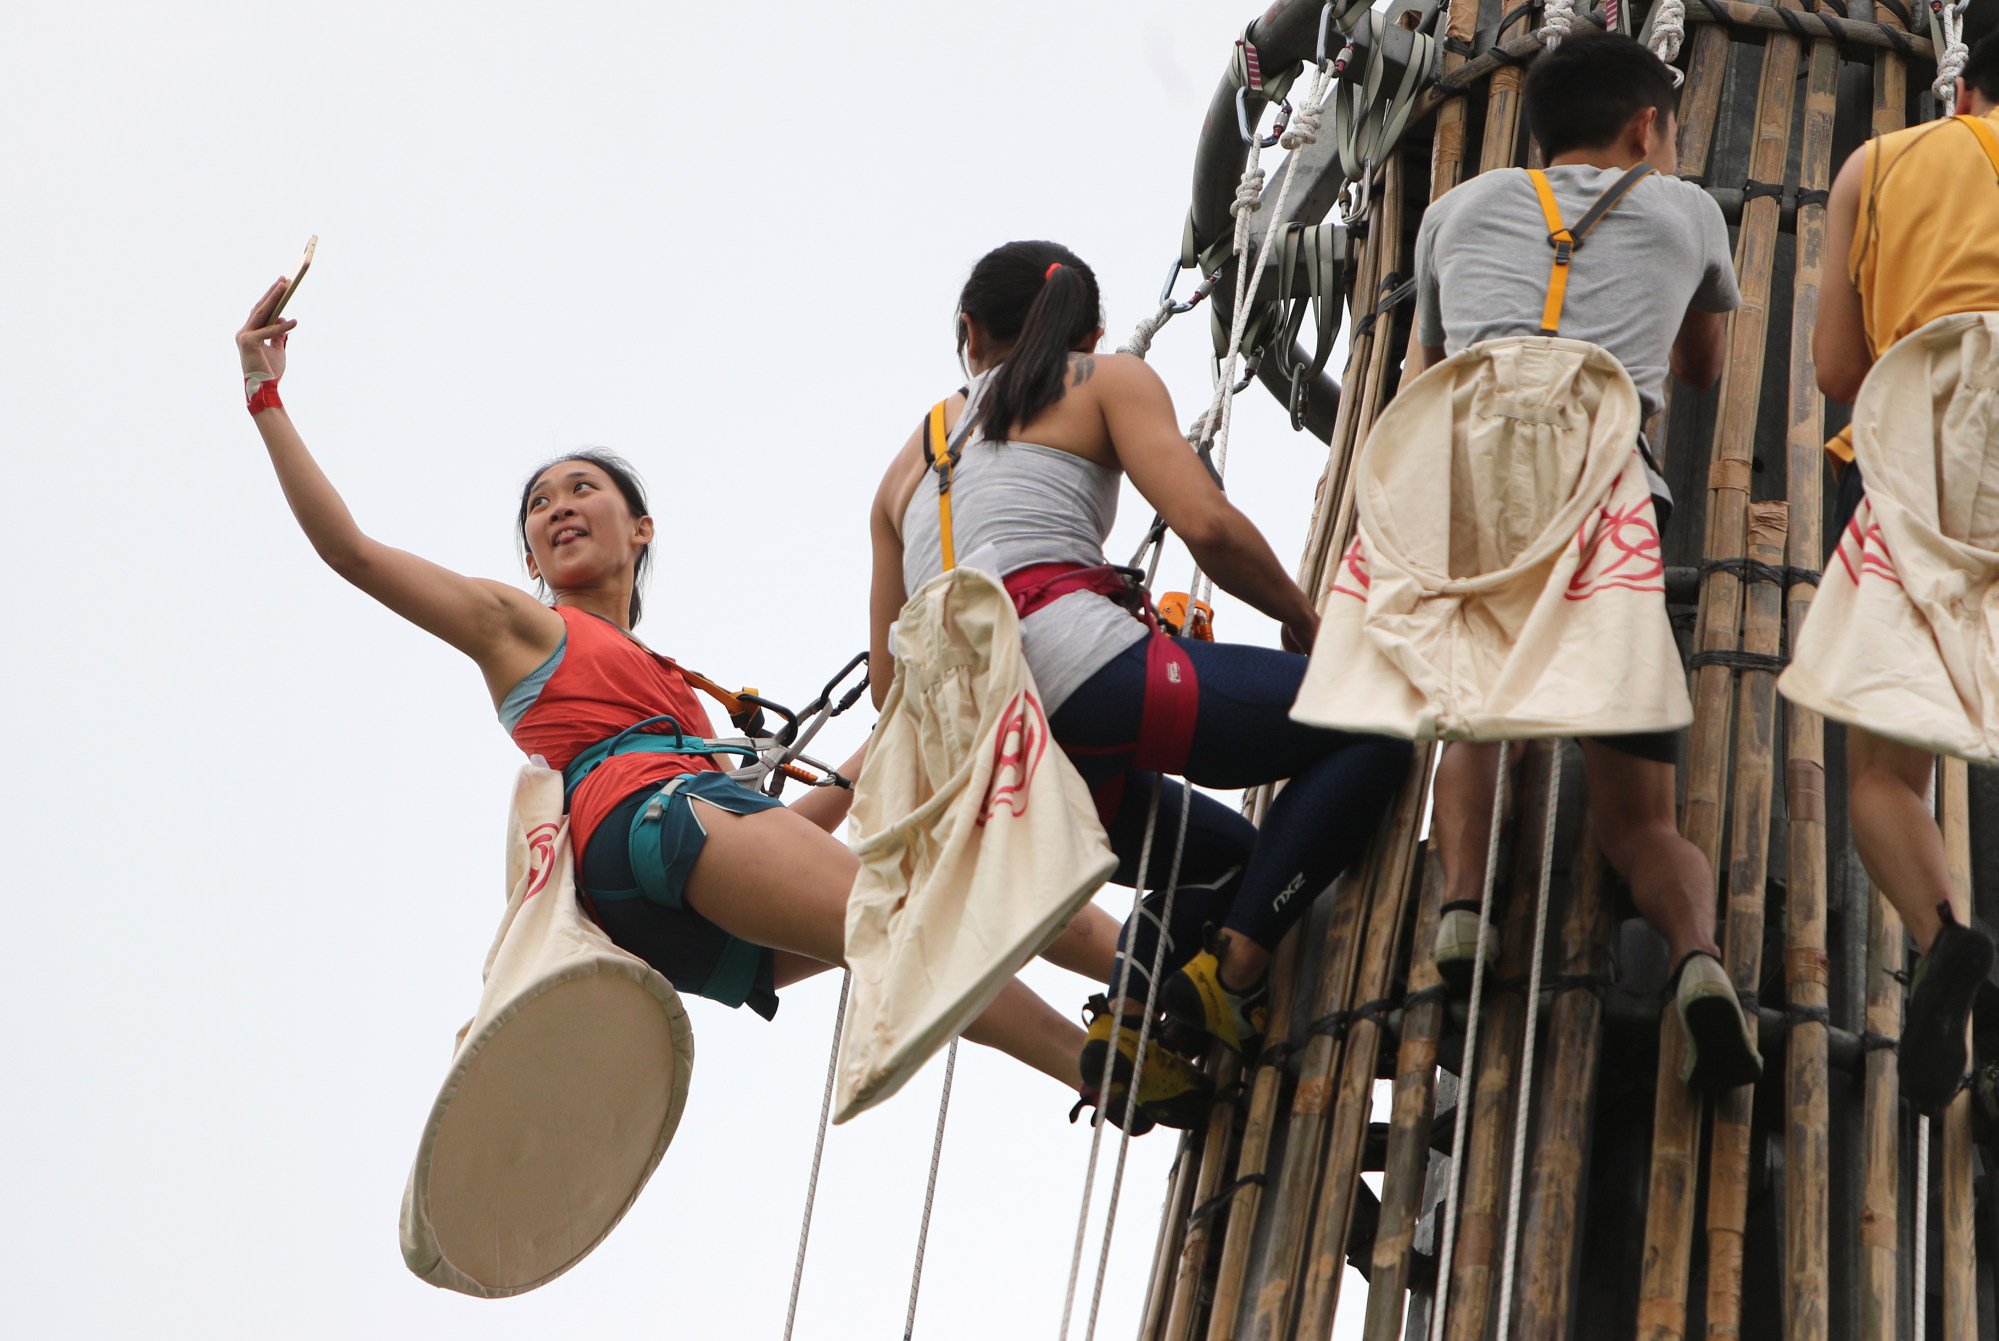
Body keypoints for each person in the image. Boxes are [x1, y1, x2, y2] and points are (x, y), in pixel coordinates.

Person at [233, 278, 1123, 1103]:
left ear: (640, 527)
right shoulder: (519, 627)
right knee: (907, 917)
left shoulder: (670, 698)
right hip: (651, 830)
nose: (557, 508)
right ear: (534, 560)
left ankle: (1118, 1031)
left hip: (671, 907)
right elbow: (349, 551)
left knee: (929, 894)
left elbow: (769, 832)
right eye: (540, 507)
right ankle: (1125, 1025)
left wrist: (896, 738)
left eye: (581, 489)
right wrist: (265, 397)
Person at [867, 241, 1412, 1128]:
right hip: (1091, 674)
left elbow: (891, 684)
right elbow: (1204, 525)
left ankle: (1128, 1024)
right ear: (1087, 328)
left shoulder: (903, 468)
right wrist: (1302, 617)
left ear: (968, 331)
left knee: (1242, 860)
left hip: (998, 756)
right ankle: (1234, 971)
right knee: (1380, 716)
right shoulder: (1104, 379)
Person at [1411, 30, 1761, 1091]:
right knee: (1637, 820)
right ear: (1646, 126)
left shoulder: (1453, 214)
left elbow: (1432, 374)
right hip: (1614, 502)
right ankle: (1698, 958)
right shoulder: (1684, 208)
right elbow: (1700, 366)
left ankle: (1464, 907)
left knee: (1475, 714)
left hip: (1476, 499)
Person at [1807, 32, 1999, 1114]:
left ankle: (1941, 937)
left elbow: (1838, 369)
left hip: (1914, 466)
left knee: (1885, 773)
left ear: (1962, 83)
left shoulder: (1878, 166)